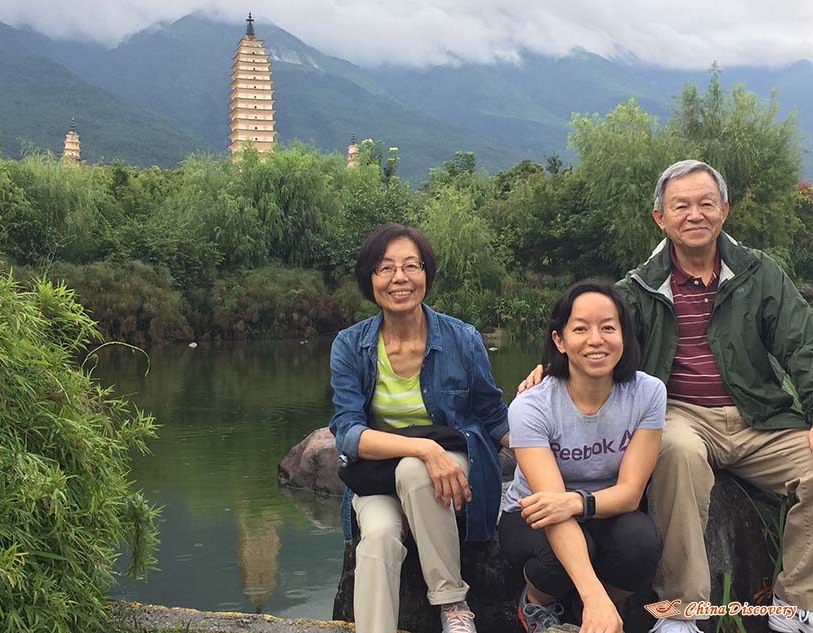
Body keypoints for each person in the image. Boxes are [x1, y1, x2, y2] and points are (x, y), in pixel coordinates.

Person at [520, 160, 813, 633]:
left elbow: (804, 345)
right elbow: (593, 337)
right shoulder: (636, 288)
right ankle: (679, 613)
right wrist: (550, 370)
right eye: (681, 206)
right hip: (681, 414)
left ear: (725, 211)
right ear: (661, 218)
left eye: (705, 203)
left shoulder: (759, 274)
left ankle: (796, 603)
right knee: (676, 453)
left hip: (760, 416)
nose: (694, 214)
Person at [329, 223, 510, 633]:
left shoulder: (462, 338)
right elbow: (348, 433)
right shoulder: (350, 346)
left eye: (411, 266)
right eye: (385, 267)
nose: (399, 278)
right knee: (375, 537)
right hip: (378, 477)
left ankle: (452, 604)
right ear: (369, 279)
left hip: (451, 469)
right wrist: (424, 449)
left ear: (426, 274)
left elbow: (492, 414)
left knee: (415, 470)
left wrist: (549, 450)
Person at [501, 280, 665, 633]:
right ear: (559, 341)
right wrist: (595, 597)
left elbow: (630, 493)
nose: (596, 340)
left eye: (608, 327)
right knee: (566, 555)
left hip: (604, 507)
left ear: (625, 336)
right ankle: (536, 602)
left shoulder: (648, 393)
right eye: (580, 329)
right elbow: (550, 506)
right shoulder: (531, 406)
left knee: (642, 545)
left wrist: (577, 503)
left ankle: (586, 608)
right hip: (534, 514)